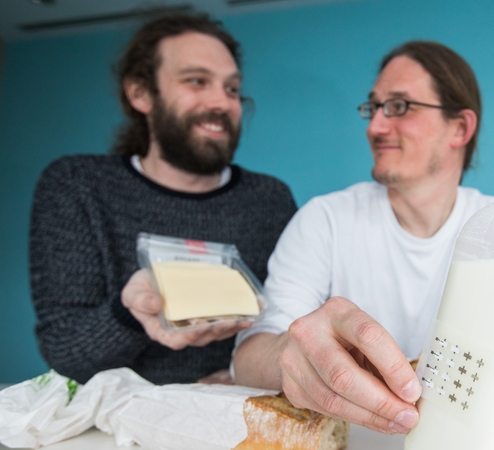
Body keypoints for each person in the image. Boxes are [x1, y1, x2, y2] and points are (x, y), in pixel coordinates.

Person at [233, 41, 494, 434]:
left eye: (400, 106)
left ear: (460, 128)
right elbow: (250, 355)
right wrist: (293, 353)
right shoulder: (325, 220)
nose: (375, 126)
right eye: (374, 108)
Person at [29, 13, 296, 385]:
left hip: (238, 422)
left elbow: (289, 325)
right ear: (140, 93)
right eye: (197, 81)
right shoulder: (78, 185)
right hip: (115, 429)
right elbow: (65, 351)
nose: (222, 102)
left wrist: (244, 376)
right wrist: (129, 312)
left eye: (232, 88)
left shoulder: (269, 200)